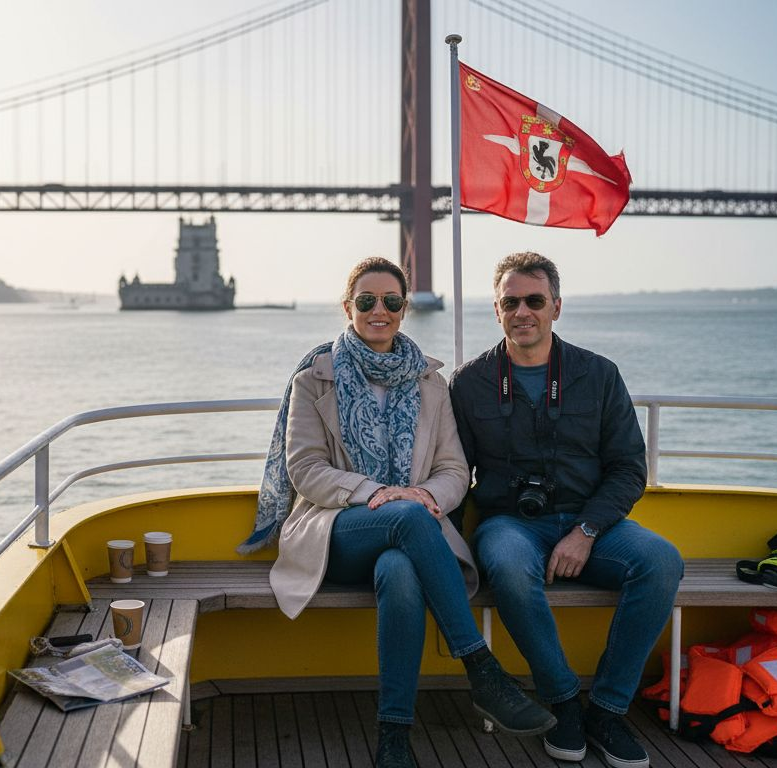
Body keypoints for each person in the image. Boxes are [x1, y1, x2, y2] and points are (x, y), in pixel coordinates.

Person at [240, 256, 554, 768]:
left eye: (390, 301)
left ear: (404, 309)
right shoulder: (314, 379)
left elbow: (454, 469)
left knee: (401, 570)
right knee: (405, 520)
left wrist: (426, 497)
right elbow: (305, 470)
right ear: (348, 307)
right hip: (335, 531)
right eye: (367, 300)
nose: (378, 310)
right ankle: (481, 668)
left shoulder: (430, 382)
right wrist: (375, 493)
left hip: (413, 534)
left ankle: (394, 735)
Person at [449, 252, 683, 768]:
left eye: (535, 300)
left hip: (592, 521)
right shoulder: (468, 383)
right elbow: (453, 473)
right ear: (496, 310)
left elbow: (628, 468)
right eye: (511, 302)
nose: (522, 312)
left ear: (556, 306)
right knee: (509, 566)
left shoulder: (598, 374)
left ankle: (607, 710)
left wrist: (586, 530)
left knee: (661, 560)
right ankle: (563, 704)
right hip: (509, 523)